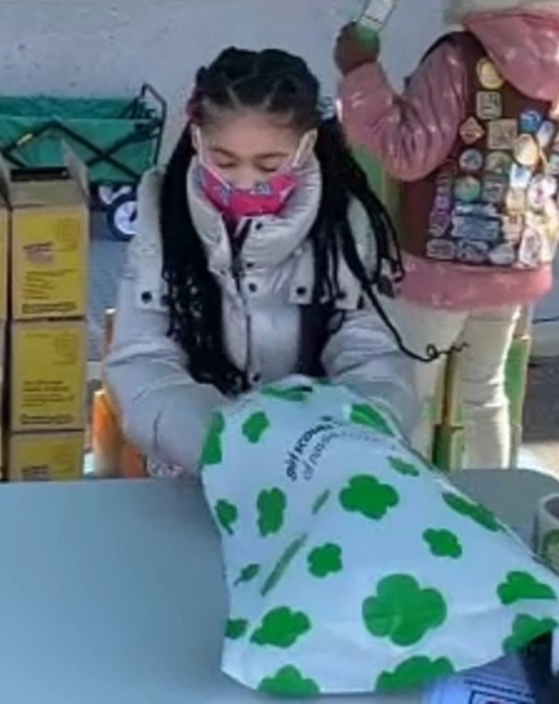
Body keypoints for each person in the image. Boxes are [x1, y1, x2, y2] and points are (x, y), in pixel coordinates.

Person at [334, 0, 559, 467]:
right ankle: (494, 498)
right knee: (486, 392)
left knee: (407, 393)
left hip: (438, 267)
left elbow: (408, 154)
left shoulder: (458, 58)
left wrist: (360, 72)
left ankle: (406, 498)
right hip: (519, 261)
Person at [105, 47, 421, 477]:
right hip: (198, 464)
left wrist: (347, 436)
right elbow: (142, 357)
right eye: (224, 161)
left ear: (306, 146)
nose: (245, 181)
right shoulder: (163, 218)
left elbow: (371, 352)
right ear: (196, 139)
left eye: (268, 165)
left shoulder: (343, 224)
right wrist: (219, 442)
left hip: (315, 465)